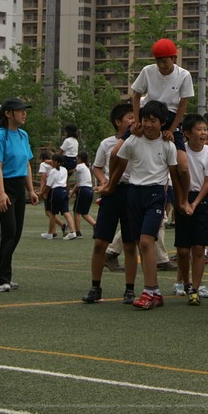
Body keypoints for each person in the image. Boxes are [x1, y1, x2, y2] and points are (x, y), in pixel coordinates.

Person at [105, 100, 192, 310]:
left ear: (162, 123)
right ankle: (154, 293)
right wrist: (110, 186)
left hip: (155, 194)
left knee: (146, 242)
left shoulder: (168, 144)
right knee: (140, 244)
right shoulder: (133, 141)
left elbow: (174, 174)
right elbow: (119, 161)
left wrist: (181, 200)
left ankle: (149, 290)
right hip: (134, 194)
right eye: (145, 119)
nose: (148, 124)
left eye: (153, 120)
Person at [83, 103, 135, 305]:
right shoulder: (107, 144)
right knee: (100, 243)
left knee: (130, 245)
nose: (133, 121)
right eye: (130, 117)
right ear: (118, 121)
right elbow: (97, 167)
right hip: (112, 193)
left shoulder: (138, 141)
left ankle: (129, 290)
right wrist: (105, 182)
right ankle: (95, 287)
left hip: (132, 192)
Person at [131, 38, 194, 199]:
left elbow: (182, 104)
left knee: (183, 167)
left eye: (165, 61)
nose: (161, 65)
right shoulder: (147, 71)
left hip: (171, 117)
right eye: (158, 61)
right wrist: (138, 121)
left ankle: (183, 199)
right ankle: (110, 185)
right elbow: (136, 96)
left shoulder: (184, 75)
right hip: (149, 114)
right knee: (117, 150)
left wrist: (172, 129)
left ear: (174, 58)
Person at [0, 97, 37, 292]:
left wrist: (31, 190)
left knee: (15, 234)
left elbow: (26, 164)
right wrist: (1, 193)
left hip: (18, 186)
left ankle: (1, 275)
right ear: (8, 113)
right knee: (7, 233)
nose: (24, 113)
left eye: (25, 110)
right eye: (19, 110)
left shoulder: (23, 135)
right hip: (2, 186)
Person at [175, 113, 208, 305]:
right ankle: (184, 283)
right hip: (183, 197)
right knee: (183, 250)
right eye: (198, 129)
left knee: (199, 247)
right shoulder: (180, 150)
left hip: (201, 200)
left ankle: (195, 288)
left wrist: (195, 203)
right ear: (186, 133)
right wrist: (183, 201)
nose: (202, 133)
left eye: (204, 129)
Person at [43, 154, 76, 239]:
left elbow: (48, 185)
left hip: (56, 192)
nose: (52, 163)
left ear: (56, 162)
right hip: (64, 191)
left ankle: (50, 233)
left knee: (53, 213)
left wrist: (42, 194)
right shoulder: (64, 170)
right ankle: (72, 231)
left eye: (53, 161)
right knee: (66, 212)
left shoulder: (53, 171)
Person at [70, 151, 96, 235]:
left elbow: (70, 170)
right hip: (89, 190)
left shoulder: (80, 166)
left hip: (83, 190)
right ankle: (96, 226)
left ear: (80, 158)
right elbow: (77, 184)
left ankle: (78, 232)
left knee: (76, 211)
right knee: (84, 213)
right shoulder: (86, 168)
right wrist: (70, 195)